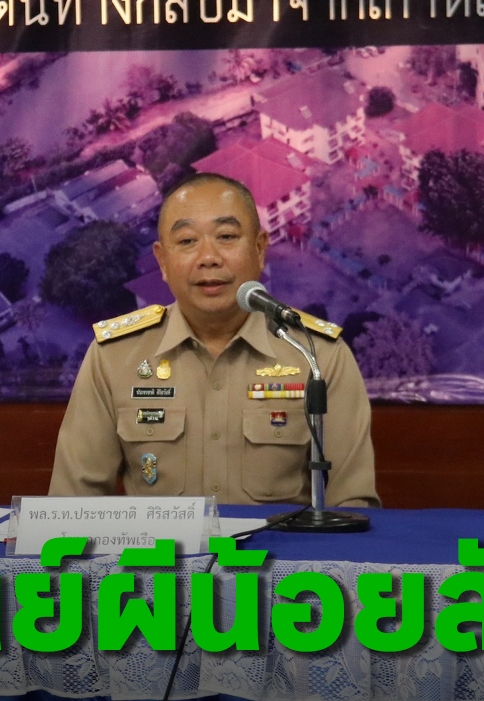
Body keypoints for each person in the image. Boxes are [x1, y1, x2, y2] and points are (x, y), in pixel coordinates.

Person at [48, 173, 379, 507]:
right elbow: (72, 506)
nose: (209, 257)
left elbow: (352, 507)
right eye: (187, 241)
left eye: (226, 236)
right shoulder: (114, 356)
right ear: (163, 261)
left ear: (259, 249)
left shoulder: (318, 355)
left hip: (277, 544)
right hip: (160, 544)